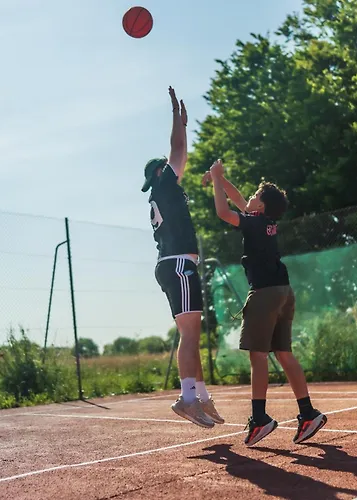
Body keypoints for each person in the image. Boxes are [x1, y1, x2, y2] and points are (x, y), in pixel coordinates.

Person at [206, 159, 327, 446]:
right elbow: (238, 200)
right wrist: (218, 178)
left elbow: (223, 211)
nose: (249, 197)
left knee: (257, 356)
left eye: (255, 195)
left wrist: (216, 180)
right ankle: (308, 413)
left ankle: (259, 418)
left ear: (259, 206)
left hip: (264, 293)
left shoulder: (253, 222)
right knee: (284, 353)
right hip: (284, 291)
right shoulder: (266, 222)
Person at [140, 87, 224, 429]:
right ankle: (187, 399)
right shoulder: (165, 187)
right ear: (161, 173)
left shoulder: (161, 193)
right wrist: (178, 119)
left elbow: (178, 154)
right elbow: (178, 149)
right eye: (168, 166)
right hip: (177, 263)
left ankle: (201, 395)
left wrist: (183, 124)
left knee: (191, 334)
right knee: (189, 336)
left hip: (171, 264)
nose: (176, 166)